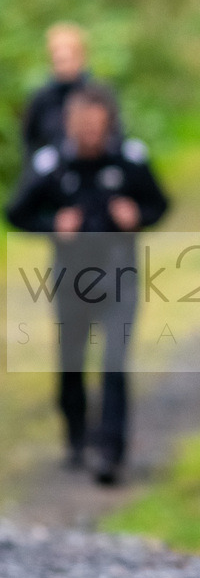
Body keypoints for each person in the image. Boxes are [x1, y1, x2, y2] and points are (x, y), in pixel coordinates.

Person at [6, 83, 169, 485]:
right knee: (71, 361)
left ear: (108, 124)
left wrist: (137, 215)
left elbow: (159, 203)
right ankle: (77, 437)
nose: (91, 138)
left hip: (119, 275)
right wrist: (53, 224)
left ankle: (110, 451)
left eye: (97, 129)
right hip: (71, 278)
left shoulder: (128, 159)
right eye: (84, 131)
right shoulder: (52, 164)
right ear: (70, 126)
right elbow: (16, 212)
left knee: (114, 361)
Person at [21, 22, 122, 160]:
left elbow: (116, 136)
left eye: (68, 57)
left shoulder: (99, 95)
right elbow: (30, 141)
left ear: (82, 56)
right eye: (59, 58)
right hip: (53, 169)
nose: (63, 64)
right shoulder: (42, 98)